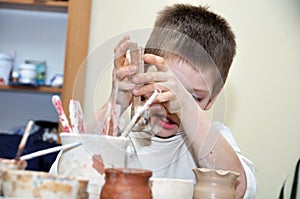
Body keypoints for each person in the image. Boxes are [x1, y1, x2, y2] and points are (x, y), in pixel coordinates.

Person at [74, 3, 256, 198]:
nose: (172, 106)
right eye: (165, 87)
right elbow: (68, 173)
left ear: (212, 99)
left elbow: (239, 189)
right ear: (144, 73)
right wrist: (115, 105)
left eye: (194, 97)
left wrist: (186, 106)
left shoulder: (215, 138)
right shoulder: (120, 138)